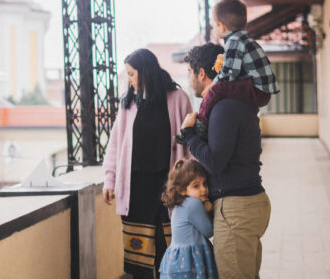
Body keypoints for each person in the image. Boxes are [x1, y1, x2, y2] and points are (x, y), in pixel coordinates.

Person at [181, 43, 271, 279]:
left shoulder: (223, 106)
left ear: (201, 73)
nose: (190, 79)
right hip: (247, 202)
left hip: (236, 209)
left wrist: (189, 136)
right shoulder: (234, 101)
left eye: (190, 73)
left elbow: (215, 162)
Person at [103, 48, 192, 279]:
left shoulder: (178, 99)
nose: (129, 79)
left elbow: (191, 145)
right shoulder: (128, 103)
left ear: (145, 72)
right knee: (139, 260)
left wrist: (190, 183)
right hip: (136, 190)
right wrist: (109, 180)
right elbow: (115, 144)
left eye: (131, 74)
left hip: (168, 189)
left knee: (170, 252)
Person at [200, 0, 280, 129]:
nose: (213, 28)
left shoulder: (234, 41)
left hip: (257, 91)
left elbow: (228, 75)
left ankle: (200, 123)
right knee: (221, 88)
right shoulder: (243, 39)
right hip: (260, 89)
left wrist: (211, 86)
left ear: (221, 26)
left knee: (216, 90)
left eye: (214, 25)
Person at [159, 158, 218, 279]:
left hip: (176, 260)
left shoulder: (181, 204)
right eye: (196, 186)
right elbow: (209, 231)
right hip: (188, 261)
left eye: (205, 183)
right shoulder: (193, 204)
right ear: (181, 190)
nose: (203, 189)